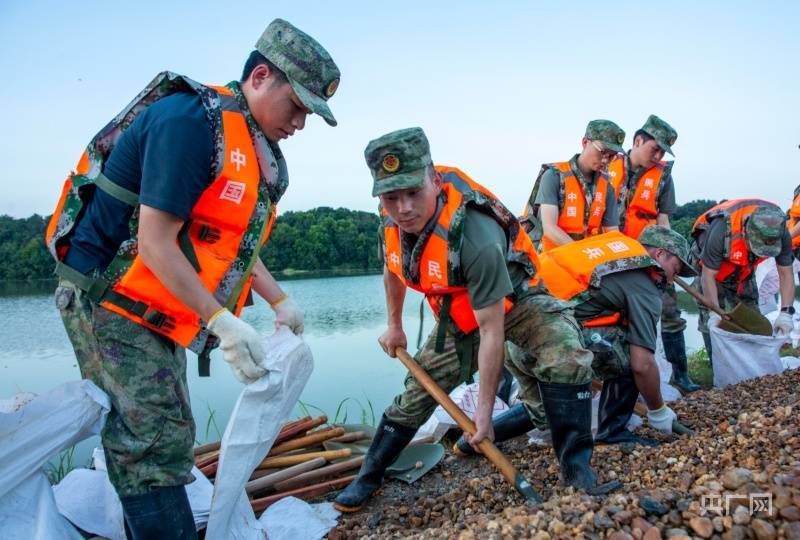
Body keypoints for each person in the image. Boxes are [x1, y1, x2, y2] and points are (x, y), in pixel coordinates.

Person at [45, 19, 339, 539]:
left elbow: (228, 243)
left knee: (172, 431)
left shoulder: (248, 145)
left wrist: (279, 300)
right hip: (106, 298)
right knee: (150, 440)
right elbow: (157, 242)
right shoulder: (189, 123)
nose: (300, 122)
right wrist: (222, 322)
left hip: (154, 304)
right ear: (261, 76)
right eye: (297, 105)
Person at [333, 127, 617, 513]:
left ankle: (577, 468)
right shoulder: (390, 222)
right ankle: (369, 474)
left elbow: (491, 329)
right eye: (391, 197)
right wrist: (395, 324)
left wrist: (483, 416)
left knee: (566, 354)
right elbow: (393, 269)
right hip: (456, 311)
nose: (403, 208)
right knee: (417, 391)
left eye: (413, 193)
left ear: (434, 180)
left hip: (517, 300)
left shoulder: (474, 232)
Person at [455, 226, 693, 452]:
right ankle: (612, 433)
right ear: (660, 253)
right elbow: (642, 363)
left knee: (548, 411)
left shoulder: (607, 250)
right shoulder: (642, 278)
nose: (673, 279)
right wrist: (658, 410)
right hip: (551, 343)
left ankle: (470, 442)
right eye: (676, 268)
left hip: (511, 345)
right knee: (630, 352)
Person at [607, 115, 699, 394]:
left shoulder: (663, 177)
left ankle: (680, 375)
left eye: (662, 152)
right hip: (610, 252)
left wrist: (669, 259)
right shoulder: (607, 163)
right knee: (615, 312)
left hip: (648, 254)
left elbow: (664, 221)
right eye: (654, 149)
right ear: (638, 141)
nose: (657, 156)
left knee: (670, 310)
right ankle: (617, 379)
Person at [690, 199, 795, 362]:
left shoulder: (779, 231)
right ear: (746, 232)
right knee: (713, 322)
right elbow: (708, 275)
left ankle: (755, 363)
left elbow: (786, 273)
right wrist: (714, 311)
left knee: (752, 314)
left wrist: (786, 313)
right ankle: (717, 365)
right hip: (710, 269)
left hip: (744, 268)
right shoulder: (721, 229)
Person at [520, 120, 624, 252]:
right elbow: (549, 228)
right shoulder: (554, 176)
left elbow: (612, 234)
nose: (605, 160)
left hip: (588, 263)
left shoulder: (607, 188)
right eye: (602, 152)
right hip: (551, 259)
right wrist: (582, 252)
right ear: (585, 142)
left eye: (611, 156)